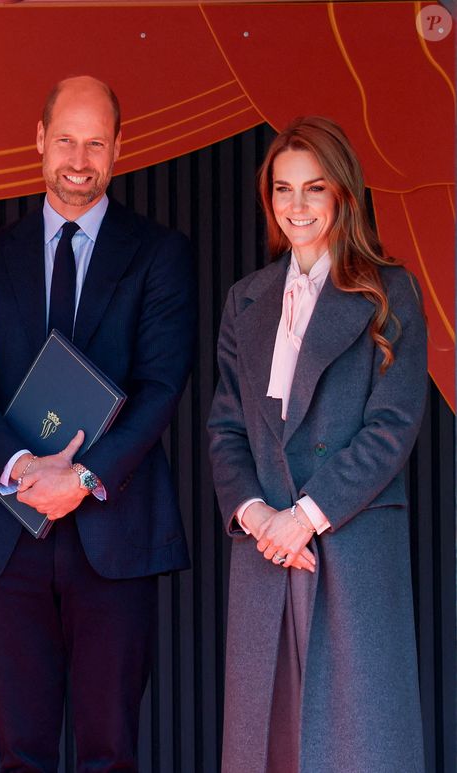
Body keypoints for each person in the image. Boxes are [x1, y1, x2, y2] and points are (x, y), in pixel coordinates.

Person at [0, 75, 196, 772]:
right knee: (20, 751)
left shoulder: (158, 253)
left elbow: (161, 386)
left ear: (120, 147)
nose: (78, 160)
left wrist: (82, 477)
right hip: (9, 530)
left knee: (109, 750)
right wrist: (26, 472)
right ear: (38, 141)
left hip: (113, 533)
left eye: (94, 142)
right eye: (64, 140)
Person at [208, 116, 427, 773]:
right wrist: (259, 517)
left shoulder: (391, 293)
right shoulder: (245, 300)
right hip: (265, 549)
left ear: (343, 195)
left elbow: (392, 426)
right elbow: (225, 429)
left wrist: (302, 517)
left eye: (314, 188)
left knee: (356, 747)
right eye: (283, 188)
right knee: (267, 746)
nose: (296, 205)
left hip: (347, 541)